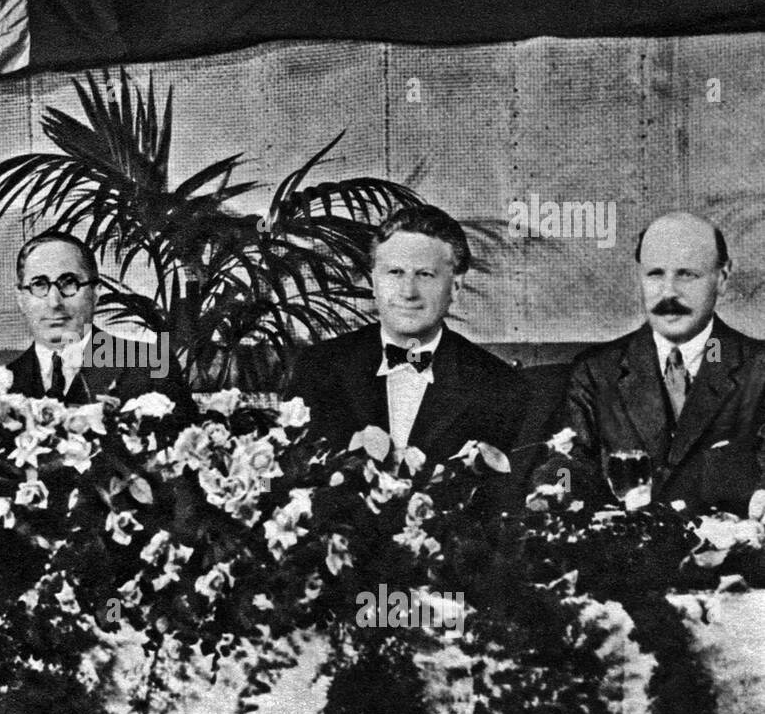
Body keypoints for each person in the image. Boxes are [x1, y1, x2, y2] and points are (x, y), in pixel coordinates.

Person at [546, 211, 765, 515]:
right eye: (655, 274)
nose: (668, 292)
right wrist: (559, 488)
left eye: (687, 274)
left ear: (723, 277)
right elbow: (566, 462)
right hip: (622, 556)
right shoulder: (596, 372)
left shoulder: (759, 370)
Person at [286, 204, 524, 464]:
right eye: (395, 272)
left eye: (425, 274)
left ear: (455, 286)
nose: (408, 292)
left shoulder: (499, 386)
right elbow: (290, 476)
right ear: (374, 282)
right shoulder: (318, 367)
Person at [0, 231, 194, 414]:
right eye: (39, 285)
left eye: (69, 283)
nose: (54, 302)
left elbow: (191, 461)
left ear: (95, 292)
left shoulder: (153, 367)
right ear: (21, 298)